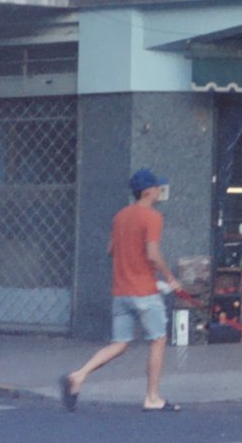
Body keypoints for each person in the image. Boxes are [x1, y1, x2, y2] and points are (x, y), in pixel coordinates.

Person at [60, 168, 184, 413]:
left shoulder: (120, 216)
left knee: (119, 343)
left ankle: (79, 375)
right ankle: (152, 397)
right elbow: (152, 253)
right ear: (148, 191)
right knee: (158, 340)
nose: (160, 190)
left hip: (121, 291)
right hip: (145, 291)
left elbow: (110, 250)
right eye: (158, 187)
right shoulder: (152, 217)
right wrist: (170, 278)